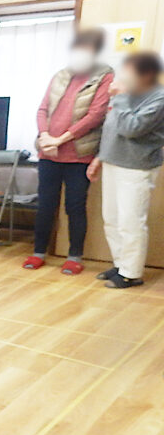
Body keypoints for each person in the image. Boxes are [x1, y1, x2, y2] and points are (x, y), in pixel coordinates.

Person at [25, 29, 114, 275]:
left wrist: (60, 139)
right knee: (45, 204)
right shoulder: (61, 75)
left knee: (74, 206)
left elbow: (95, 115)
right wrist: (44, 136)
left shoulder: (105, 76)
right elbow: (42, 109)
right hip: (48, 153)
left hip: (79, 155)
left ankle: (74, 256)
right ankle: (38, 252)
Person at [88, 51, 164, 289]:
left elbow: (132, 128)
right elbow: (112, 128)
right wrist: (99, 158)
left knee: (131, 221)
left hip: (136, 167)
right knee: (111, 219)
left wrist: (119, 97)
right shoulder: (126, 94)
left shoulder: (159, 98)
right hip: (112, 162)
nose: (123, 76)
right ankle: (121, 264)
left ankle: (131, 273)